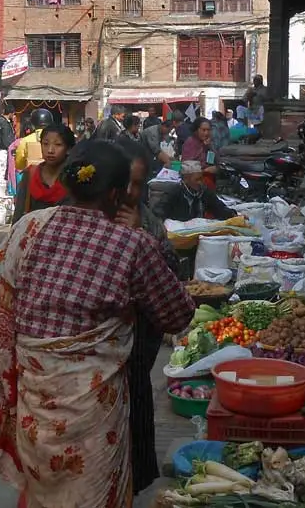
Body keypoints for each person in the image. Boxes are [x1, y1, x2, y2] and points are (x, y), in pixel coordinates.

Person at [0, 141, 196, 508]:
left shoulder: (28, 228)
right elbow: (177, 315)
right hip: (93, 415)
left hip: (33, 409)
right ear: (115, 194)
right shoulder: (132, 244)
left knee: (43, 493)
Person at [114, 140, 182, 496]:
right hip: (101, 356)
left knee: (137, 414)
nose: (129, 192)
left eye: (137, 184)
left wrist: (143, 238)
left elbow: (173, 274)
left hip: (139, 346)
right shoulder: (88, 214)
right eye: (124, 182)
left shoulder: (148, 219)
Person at [12, 124, 76, 223]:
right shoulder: (30, 174)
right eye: (45, 144)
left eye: (58, 145)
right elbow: (18, 215)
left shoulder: (75, 178)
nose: (50, 150)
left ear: (68, 149)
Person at [151, 160, 237, 223]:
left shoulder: (204, 191)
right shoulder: (174, 192)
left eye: (201, 179)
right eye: (197, 180)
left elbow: (219, 208)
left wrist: (233, 215)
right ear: (186, 179)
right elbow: (159, 213)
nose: (200, 182)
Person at [139, 110, 183, 176]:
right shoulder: (153, 133)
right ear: (164, 127)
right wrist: (168, 161)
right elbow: (157, 151)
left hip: (150, 156)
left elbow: (160, 150)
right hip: (142, 157)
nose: (168, 132)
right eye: (169, 130)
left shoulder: (161, 132)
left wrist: (169, 158)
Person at [15, 108, 55, 176]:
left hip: (32, 179)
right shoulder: (57, 139)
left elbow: (19, 165)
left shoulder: (25, 140)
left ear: (32, 124)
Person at [181, 116, 217, 188]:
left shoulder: (208, 142)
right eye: (203, 130)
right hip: (193, 179)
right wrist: (205, 170)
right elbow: (187, 165)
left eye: (208, 130)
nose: (206, 133)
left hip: (208, 176)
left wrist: (209, 147)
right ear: (196, 130)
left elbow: (211, 160)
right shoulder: (190, 142)